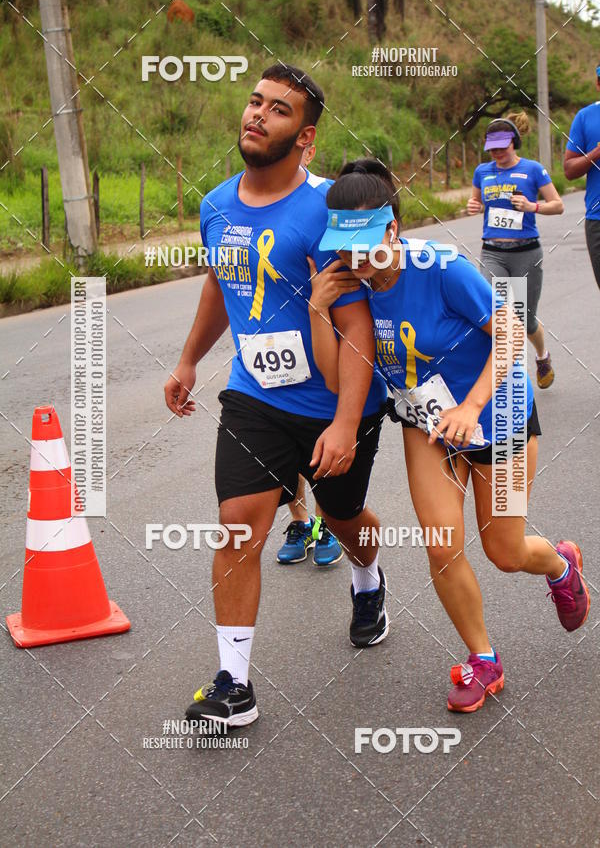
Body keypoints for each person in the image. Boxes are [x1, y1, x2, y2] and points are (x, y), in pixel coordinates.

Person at [309, 158, 590, 713]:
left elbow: (511, 330)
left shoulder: (441, 267)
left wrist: (472, 405)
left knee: (504, 552)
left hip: (500, 415)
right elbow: (336, 375)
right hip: (426, 427)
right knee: (441, 545)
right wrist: (321, 308)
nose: (354, 258)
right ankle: (483, 658)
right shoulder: (348, 283)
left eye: (366, 242)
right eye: (344, 245)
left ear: (393, 227)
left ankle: (561, 565)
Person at [164, 67, 389, 728]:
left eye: (279, 110)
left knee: (345, 521)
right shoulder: (215, 204)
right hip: (254, 397)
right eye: (255, 102)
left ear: (307, 138)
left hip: (334, 402)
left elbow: (356, 325)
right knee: (239, 522)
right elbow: (219, 283)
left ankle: (369, 579)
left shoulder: (332, 210)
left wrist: (347, 422)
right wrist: (188, 360)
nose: (258, 115)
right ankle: (233, 684)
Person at [277, 142, 343, 567]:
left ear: (309, 150)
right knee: (284, 449)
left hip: (324, 340)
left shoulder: (330, 197)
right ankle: (300, 521)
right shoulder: (255, 197)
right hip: (275, 348)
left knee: (321, 444)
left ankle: (326, 524)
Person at [467, 113, 564, 389]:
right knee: (490, 310)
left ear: (515, 143)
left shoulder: (533, 170)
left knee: (524, 317)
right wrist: (474, 207)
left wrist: (532, 206)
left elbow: (557, 205)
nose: (497, 153)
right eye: (492, 149)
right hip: (492, 251)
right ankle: (500, 373)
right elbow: (475, 202)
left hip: (527, 252)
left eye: (502, 147)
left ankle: (542, 357)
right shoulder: (482, 172)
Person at [564, 64, 600, 288]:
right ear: (598, 84)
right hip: (597, 220)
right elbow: (569, 170)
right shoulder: (585, 117)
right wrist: (595, 154)